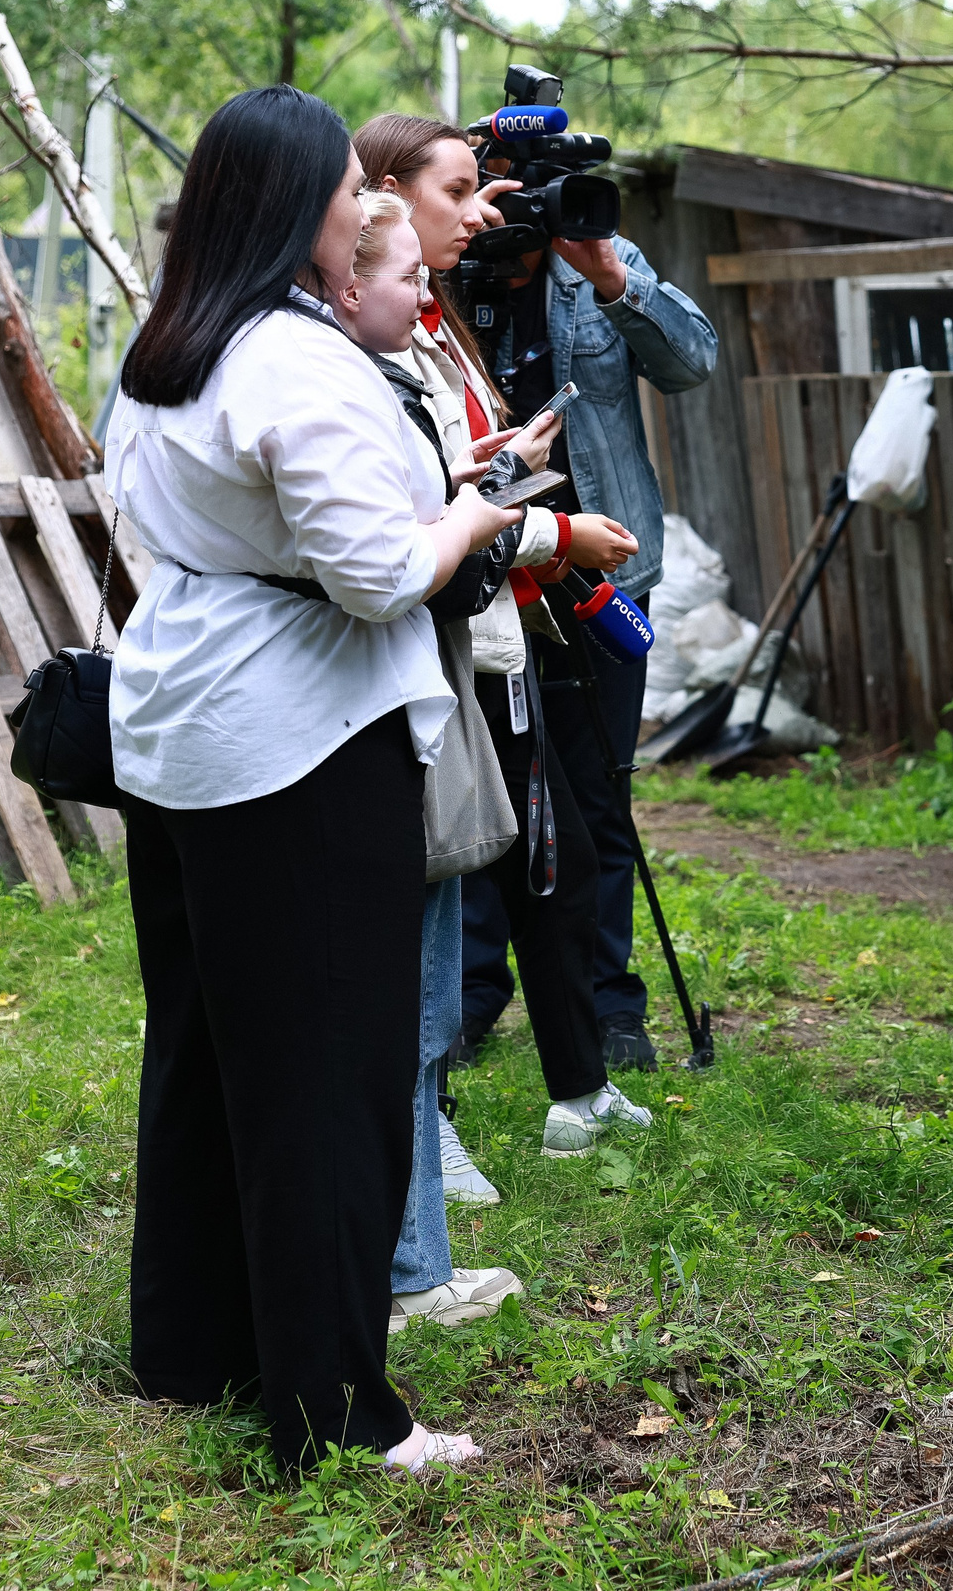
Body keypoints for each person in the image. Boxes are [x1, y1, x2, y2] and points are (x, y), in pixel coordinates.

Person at [107, 86, 519, 1475]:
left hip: (185, 727)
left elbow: (166, 516)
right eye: (349, 183)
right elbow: (374, 569)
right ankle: (337, 1406)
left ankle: (195, 1341)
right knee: (328, 1083)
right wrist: (466, 514)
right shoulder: (297, 360)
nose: (368, 202)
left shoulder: (171, 344)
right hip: (300, 745)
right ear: (294, 202)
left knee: (212, 1052)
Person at [356, 116, 720, 1073]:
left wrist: (606, 269)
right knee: (481, 785)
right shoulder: (426, 270)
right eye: (480, 188)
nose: (496, 212)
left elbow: (696, 361)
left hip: (600, 572)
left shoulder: (592, 260)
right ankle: (474, 996)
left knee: (596, 799)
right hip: (486, 575)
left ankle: (608, 1006)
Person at [326, 187, 534, 1328]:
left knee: (419, 1002)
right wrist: (475, 519)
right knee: (407, 1007)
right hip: (390, 712)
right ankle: (408, 1269)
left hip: (402, 702)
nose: (426, 296)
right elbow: (397, 566)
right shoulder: (353, 386)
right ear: (350, 279)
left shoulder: (360, 376)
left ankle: (413, 1256)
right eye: (409, 276)